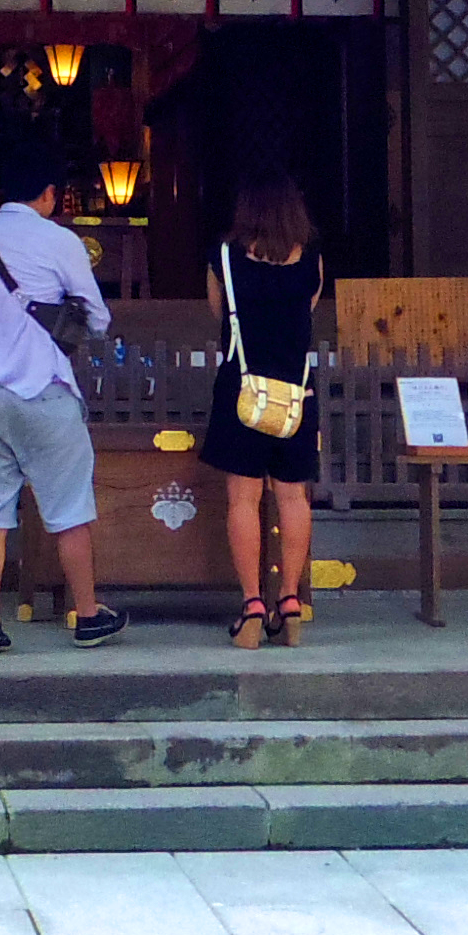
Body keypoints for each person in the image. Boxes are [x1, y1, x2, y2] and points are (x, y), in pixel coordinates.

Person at [0, 148, 122, 650]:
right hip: (44, 393)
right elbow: (97, 317)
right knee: (69, 509)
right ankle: (88, 615)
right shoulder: (60, 240)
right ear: (49, 194)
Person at [203, 172, 326, 646]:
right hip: (297, 394)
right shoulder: (311, 260)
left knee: (244, 500)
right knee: (293, 498)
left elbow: (221, 316)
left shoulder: (225, 259)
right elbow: (307, 311)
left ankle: (253, 604)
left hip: (242, 392)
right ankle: (290, 601)